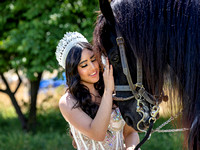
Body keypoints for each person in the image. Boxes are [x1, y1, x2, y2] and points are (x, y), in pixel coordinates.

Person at [55, 31, 140, 150]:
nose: (93, 67)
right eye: (84, 65)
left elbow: (131, 132)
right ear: (74, 71)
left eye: (93, 59)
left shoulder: (113, 88)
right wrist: (108, 92)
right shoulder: (67, 102)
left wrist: (132, 147)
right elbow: (98, 134)